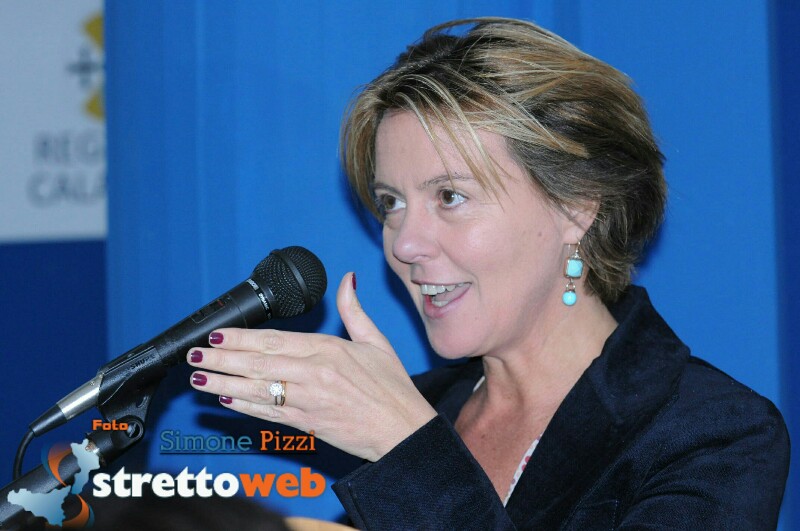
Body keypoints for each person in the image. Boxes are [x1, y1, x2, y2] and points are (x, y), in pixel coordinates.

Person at [185, 17, 790, 529]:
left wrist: (407, 449)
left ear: (576, 207)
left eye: (450, 196)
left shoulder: (712, 433)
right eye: (391, 202)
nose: (405, 244)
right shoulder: (423, 407)